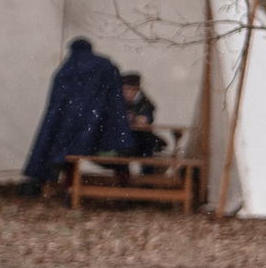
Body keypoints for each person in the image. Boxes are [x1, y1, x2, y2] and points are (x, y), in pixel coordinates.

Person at [21, 37, 134, 193]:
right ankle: (124, 185)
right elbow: (114, 99)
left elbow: (56, 104)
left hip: (69, 124)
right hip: (96, 126)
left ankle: (67, 187)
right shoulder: (105, 66)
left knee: (64, 150)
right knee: (107, 150)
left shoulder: (65, 70)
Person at [122, 71, 166, 156]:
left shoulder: (146, 104)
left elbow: (144, 120)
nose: (124, 93)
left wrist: (133, 118)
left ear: (135, 90)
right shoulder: (119, 101)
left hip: (140, 138)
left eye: (127, 89)